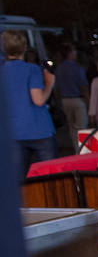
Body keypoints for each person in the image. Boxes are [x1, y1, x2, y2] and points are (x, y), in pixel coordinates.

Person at [3, 29, 56, 180]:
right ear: (25, 47)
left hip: (13, 131)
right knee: (50, 177)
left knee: (18, 180)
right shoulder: (32, 69)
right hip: (39, 129)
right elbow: (38, 100)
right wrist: (49, 84)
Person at [53, 45, 90, 147]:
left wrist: (58, 102)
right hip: (77, 99)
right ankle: (82, 148)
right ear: (70, 53)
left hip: (65, 100)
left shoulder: (59, 69)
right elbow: (83, 86)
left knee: (71, 126)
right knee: (81, 126)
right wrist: (88, 101)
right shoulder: (77, 68)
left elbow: (56, 88)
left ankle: (76, 147)